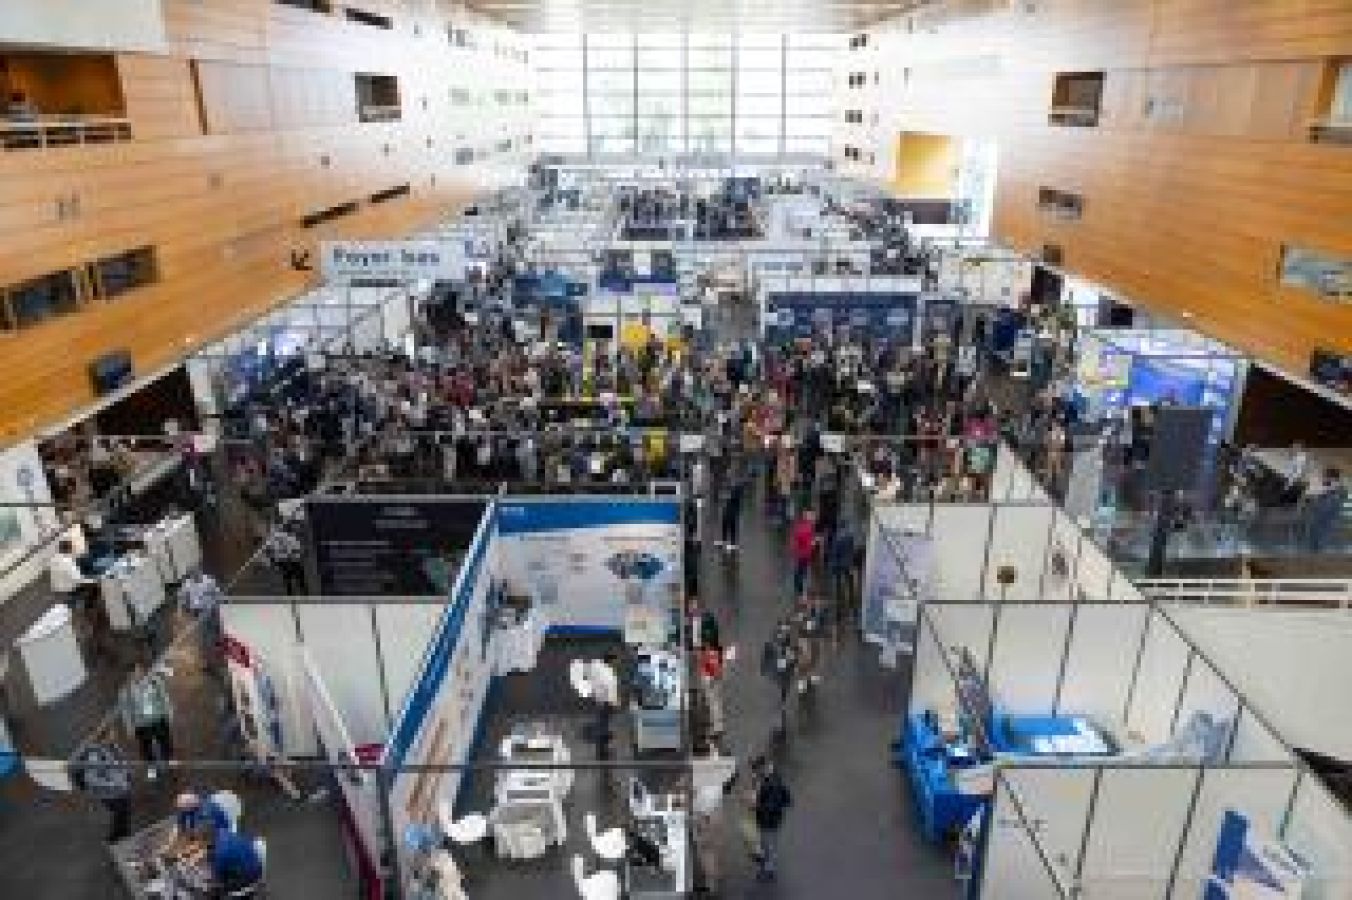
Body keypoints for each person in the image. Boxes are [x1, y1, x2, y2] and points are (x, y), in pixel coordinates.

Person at [120, 657, 175, 781]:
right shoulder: (126, 691)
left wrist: (169, 713)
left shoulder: (154, 681)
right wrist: (130, 727)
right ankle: (152, 767)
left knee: (165, 740)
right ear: (129, 675)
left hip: (158, 718)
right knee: (146, 746)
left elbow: (164, 698)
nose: (137, 674)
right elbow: (126, 711)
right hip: (142, 723)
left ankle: (169, 760)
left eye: (139, 670)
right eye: (134, 672)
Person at [71, 733, 133, 842]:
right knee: (120, 810)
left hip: (120, 786)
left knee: (124, 811)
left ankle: (123, 833)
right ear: (103, 738)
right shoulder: (95, 756)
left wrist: (127, 775)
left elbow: (122, 762)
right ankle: (115, 837)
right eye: (110, 734)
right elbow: (92, 779)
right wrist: (113, 784)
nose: (113, 736)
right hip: (108, 791)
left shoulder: (113, 747)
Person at [752, 759, 792, 881]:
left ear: (762, 768)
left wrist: (756, 805)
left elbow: (772, 805)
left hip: (769, 820)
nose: (755, 774)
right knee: (767, 843)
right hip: (769, 819)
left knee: (769, 844)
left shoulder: (772, 783)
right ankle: (766, 865)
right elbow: (787, 800)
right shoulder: (771, 779)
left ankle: (769, 870)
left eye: (756, 771)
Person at [205, 824, 265, 895]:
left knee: (213, 888)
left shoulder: (220, 853)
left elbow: (217, 877)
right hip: (256, 866)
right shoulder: (223, 832)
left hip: (248, 877)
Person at [262, 525, 306, 595]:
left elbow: (268, 550)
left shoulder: (273, 537)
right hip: (292, 560)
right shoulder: (291, 537)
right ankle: (302, 591)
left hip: (284, 560)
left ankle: (291, 593)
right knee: (298, 576)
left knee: (288, 577)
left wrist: (272, 560)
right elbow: (297, 549)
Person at [789, 509, 818, 597]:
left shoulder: (800, 526)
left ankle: (798, 590)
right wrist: (813, 542)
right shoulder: (808, 528)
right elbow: (808, 542)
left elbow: (795, 539)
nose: (814, 519)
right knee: (803, 572)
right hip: (804, 554)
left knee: (799, 572)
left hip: (799, 554)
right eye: (813, 517)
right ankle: (801, 592)